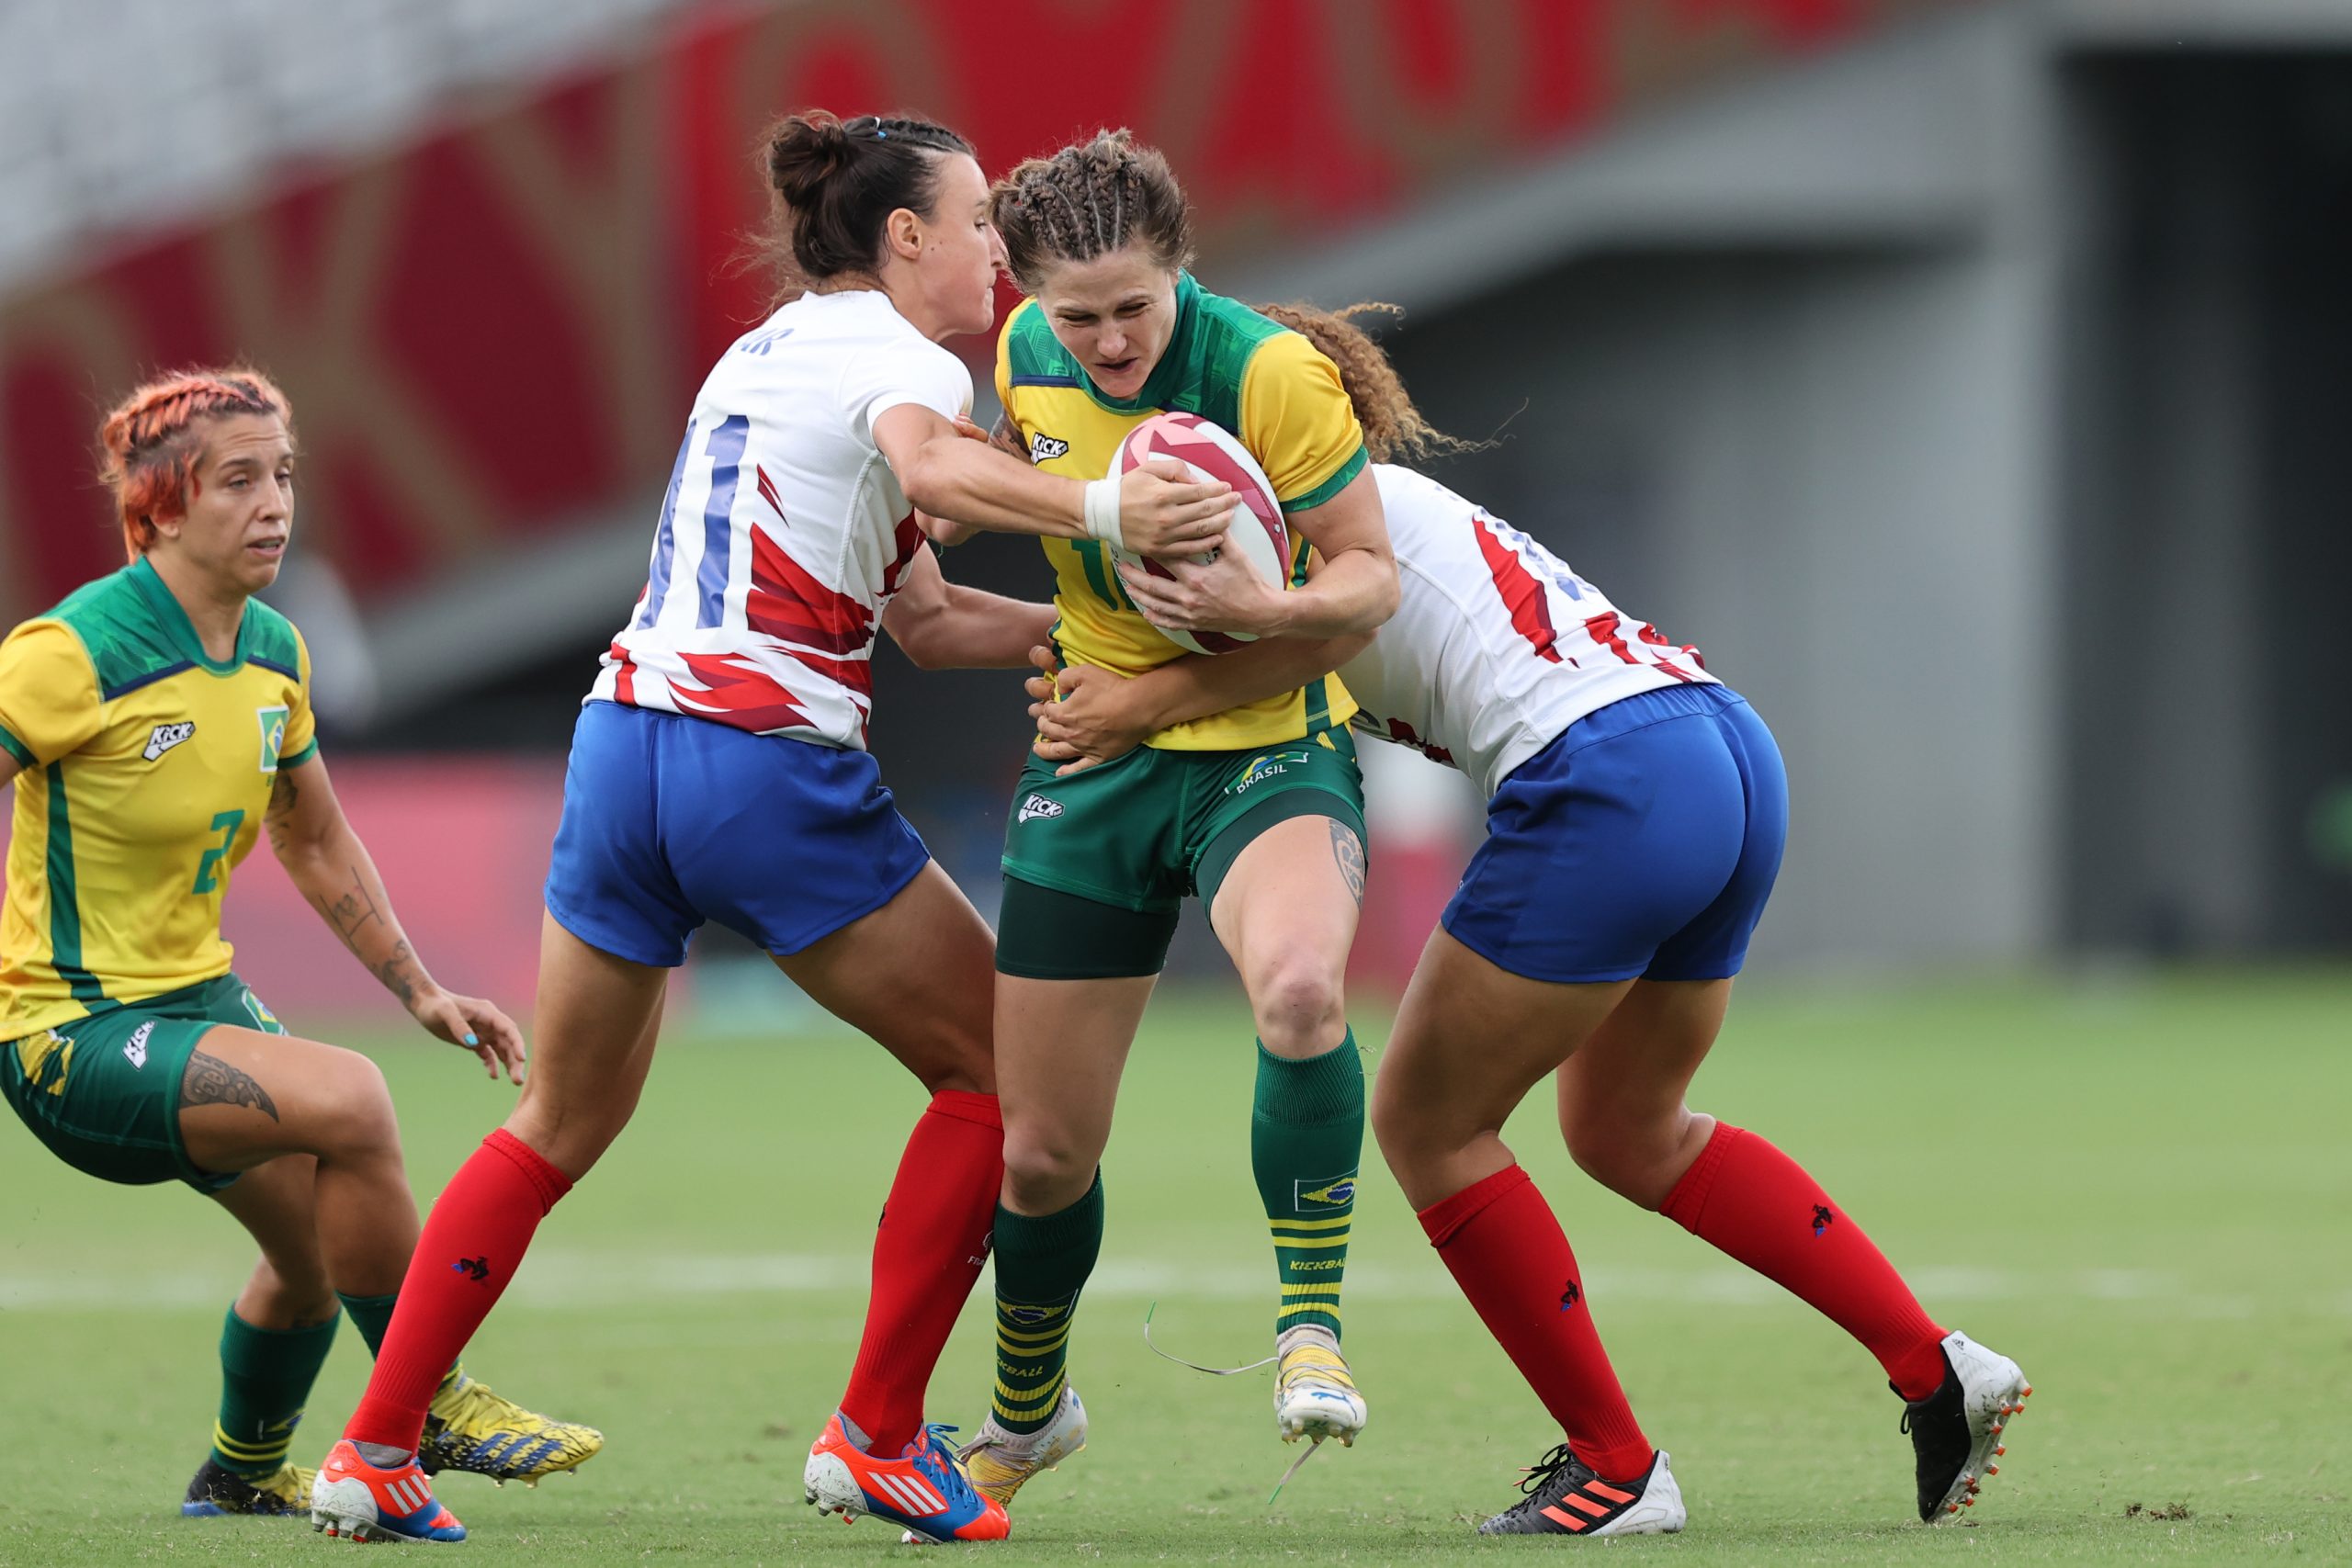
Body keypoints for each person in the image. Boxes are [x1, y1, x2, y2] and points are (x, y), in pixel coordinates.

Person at [306, 110, 1237, 1546]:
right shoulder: (901, 359)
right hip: (757, 761)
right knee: (998, 1073)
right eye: (980, 221)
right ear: (905, 238)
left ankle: (371, 1447)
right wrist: (1116, 511)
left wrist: (1091, 634)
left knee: (559, 1117)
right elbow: (934, 474)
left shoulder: (761, 354)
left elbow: (920, 617)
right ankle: (873, 1432)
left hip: (624, 748)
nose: (1001, 249)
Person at [1027, 302, 2032, 1538]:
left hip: (1604, 777)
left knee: (1423, 1119)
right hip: (1716, 743)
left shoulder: (1294, 525)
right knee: (1626, 1127)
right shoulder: (1361, 508)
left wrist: (1121, 697)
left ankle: (1617, 1464)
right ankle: (1937, 1365)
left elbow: (1255, 655)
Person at [0, 367, 600, 1526]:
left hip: (197, 1006)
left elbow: (315, 836)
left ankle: (239, 1473)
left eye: (283, 476)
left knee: (317, 1255)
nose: (275, 504)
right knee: (353, 1098)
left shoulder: (275, 647)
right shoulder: (72, 653)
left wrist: (418, 986)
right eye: (239, 481)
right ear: (163, 506)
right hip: (70, 1037)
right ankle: (430, 1403)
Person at [941, 130, 1403, 1513]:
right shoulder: (1022, 353)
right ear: (1028, 296)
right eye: (1078, 315)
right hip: (1096, 760)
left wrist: (1271, 612)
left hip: (1268, 747)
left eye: (1134, 307)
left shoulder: (1269, 373)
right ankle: (1029, 1405)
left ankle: (1309, 1326)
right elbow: (975, 477)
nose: (1108, 339)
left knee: (1306, 988)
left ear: (1181, 271)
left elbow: (1370, 576)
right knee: (1038, 1149)